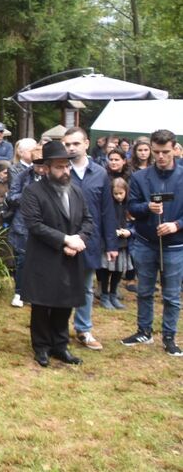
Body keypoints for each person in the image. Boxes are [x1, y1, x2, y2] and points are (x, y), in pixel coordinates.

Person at [21, 141, 94, 367]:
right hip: (45, 256)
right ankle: (41, 346)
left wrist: (79, 239)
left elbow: (88, 221)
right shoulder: (33, 192)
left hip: (71, 257)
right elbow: (35, 225)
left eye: (67, 166)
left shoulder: (76, 191)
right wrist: (64, 239)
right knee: (42, 304)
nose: (65, 171)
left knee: (65, 302)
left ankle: (60, 345)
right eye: (60, 167)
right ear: (47, 168)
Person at [122, 129, 183, 356]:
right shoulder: (140, 177)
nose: (160, 157)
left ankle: (169, 336)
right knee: (145, 290)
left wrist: (176, 224)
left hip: (175, 244)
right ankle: (144, 331)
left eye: (165, 152)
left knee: (171, 295)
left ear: (174, 149)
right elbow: (131, 207)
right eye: (156, 152)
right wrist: (147, 207)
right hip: (146, 242)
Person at [62, 127, 118, 352]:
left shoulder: (100, 173)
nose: (71, 148)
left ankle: (83, 329)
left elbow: (107, 211)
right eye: (67, 144)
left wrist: (111, 243)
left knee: (85, 287)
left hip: (91, 240)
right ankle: (59, 329)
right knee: (62, 286)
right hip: (64, 239)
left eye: (75, 143)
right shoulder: (60, 171)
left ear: (87, 143)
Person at [5, 147, 47, 307]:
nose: (41, 169)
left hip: (44, 224)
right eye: (37, 165)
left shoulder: (51, 177)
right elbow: (11, 197)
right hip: (22, 224)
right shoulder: (23, 176)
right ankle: (19, 292)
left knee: (42, 260)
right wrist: (29, 195)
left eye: (43, 165)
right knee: (22, 259)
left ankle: (38, 291)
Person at [97, 177, 133, 310]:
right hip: (109, 243)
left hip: (123, 243)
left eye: (121, 193)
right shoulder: (107, 205)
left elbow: (134, 222)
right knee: (106, 270)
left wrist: (129, 231)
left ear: (126, 192)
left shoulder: (128, 205)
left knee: (119, 270)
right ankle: (104, 295)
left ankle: (113, 294)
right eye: (115, 194)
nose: (118, 197)